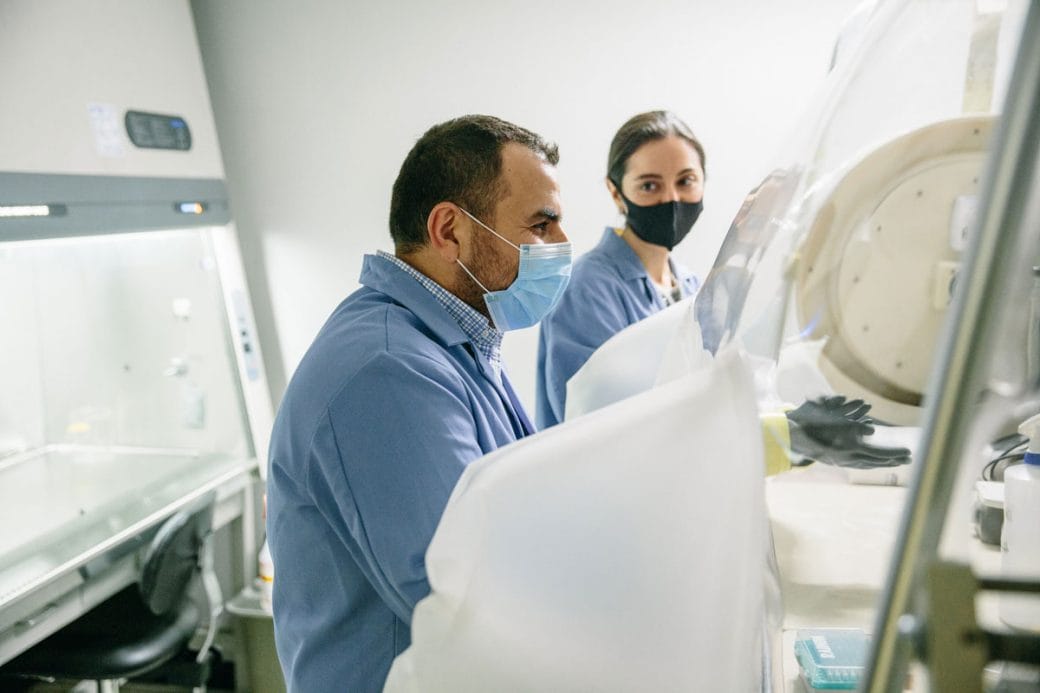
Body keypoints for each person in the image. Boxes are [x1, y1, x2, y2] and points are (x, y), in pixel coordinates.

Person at [265, 115, 570, 692]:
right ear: (450, 229)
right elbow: (464, 600)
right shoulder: (386, 372)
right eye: (541, 224)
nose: (560, 245)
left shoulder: (458, 342)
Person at [536, 110, 705, 428]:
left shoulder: (692, 286)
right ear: (616, 193)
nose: (671, 199)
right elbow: (594, 425)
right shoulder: (586, 290)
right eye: (650, 186)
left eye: (686, 181)